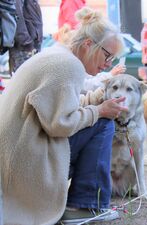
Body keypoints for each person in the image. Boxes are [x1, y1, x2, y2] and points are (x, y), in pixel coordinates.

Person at [0, 7, 128, 225]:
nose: (109, 64)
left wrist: (96, 100)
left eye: (113, 59)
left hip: (15, 155)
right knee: (104, 123)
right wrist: (99, 111)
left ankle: (83, 201)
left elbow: (60, 108)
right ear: (88, 44)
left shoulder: (57, 56)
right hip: (26, 164)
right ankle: (84, 205)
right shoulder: (68, 66)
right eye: (108, 56)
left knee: (99, 118)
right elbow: (60, 124)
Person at [8, 0, 43, 74]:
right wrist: (27, 43)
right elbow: (16, 16)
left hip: (31, 46)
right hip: (24, 49)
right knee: (24, 82)